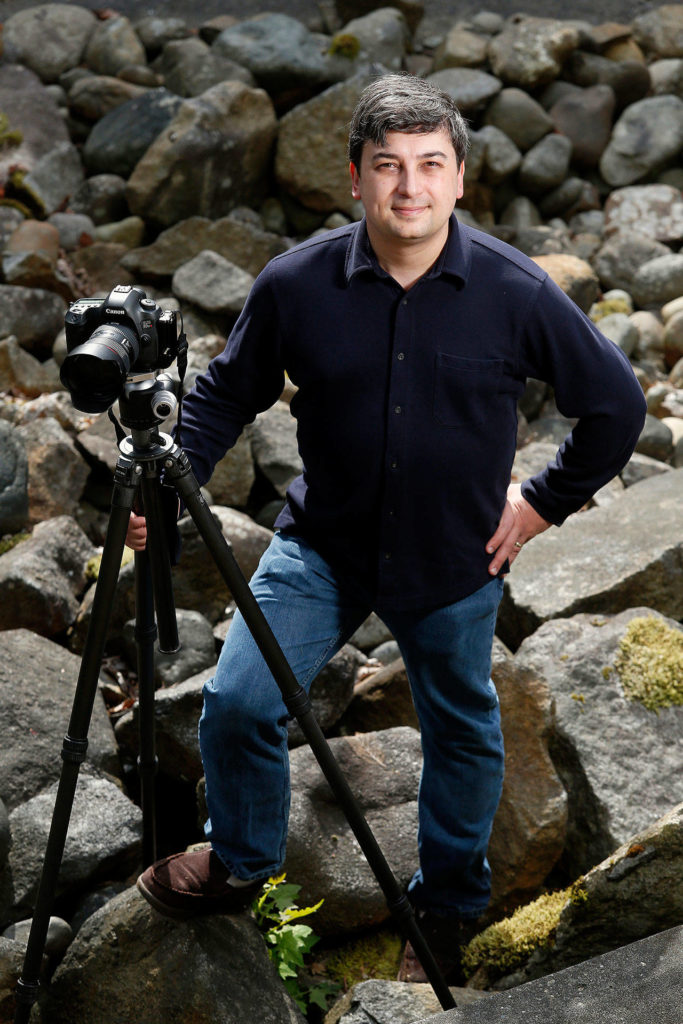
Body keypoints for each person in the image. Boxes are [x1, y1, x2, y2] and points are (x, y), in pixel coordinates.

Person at [129, 73, 646, 982]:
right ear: (356, 179)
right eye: (388, 168)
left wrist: (537, 505)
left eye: (429, 166)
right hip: (320, 547)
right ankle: (242, 859)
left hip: (455, 560)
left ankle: (443, 904)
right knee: (238, 703)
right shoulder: (296, 284)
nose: (409, 187)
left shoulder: (517, 292)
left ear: (456, 179)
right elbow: (221, 399)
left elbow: (615, 408)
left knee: (462, 732)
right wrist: (167, 493)